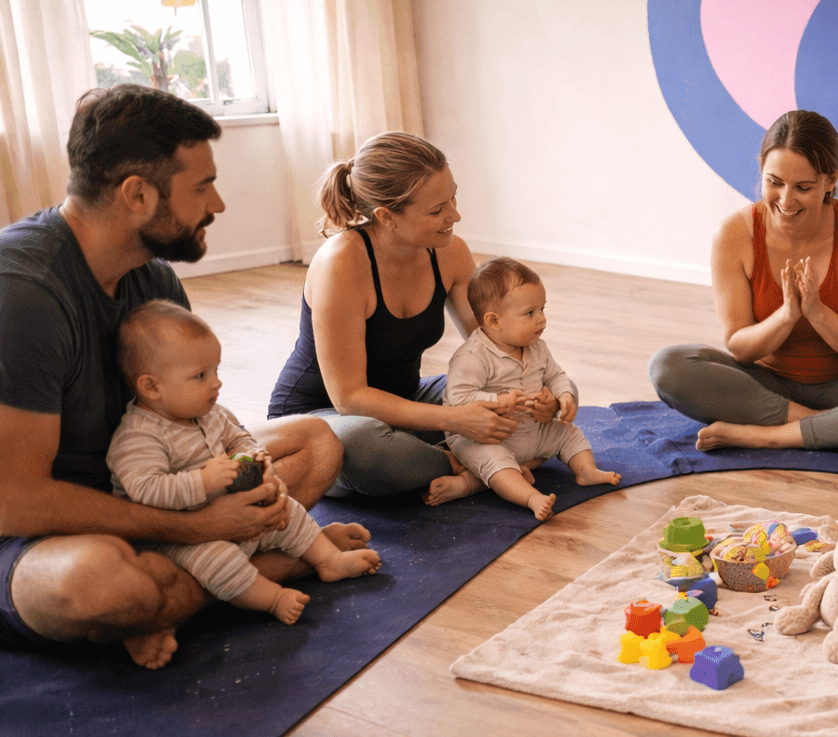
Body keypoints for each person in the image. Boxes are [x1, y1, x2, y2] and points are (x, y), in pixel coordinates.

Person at [0, 85, 352, 669]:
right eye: (201, 186)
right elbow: (16, 502)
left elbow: (191, 416)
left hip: (146, 489)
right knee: (101, 586)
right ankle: (276, 565)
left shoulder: (154, 279)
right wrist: (198, 527)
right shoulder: (24, 294)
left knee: (316, 443)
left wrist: (234, 473)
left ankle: (185, 592)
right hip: (39, 529)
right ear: (138, 194)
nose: (216, 204)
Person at [648, 110, 838, 452]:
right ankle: (837, 426)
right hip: (766, 386)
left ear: (831, 179)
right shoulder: (733, 234)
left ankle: (766, 435)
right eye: (774, 182)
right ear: (761, 169)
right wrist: (787, 315)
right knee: (669, 366)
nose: (785, 200)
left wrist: (817, 311)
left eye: (803, 188)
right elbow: (740, 347)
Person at [268, 131, 527, 497]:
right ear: (386, 216)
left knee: (520, 396)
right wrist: (456, 420)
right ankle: (483, 464)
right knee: (372, 451)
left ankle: (468, 468)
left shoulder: (450, 252)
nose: (455, 215)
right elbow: (349, 398)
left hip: (406, 404)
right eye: (437, 210)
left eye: (453, 197)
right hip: (323, 421)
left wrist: (534, 388)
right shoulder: (341, 264)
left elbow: (492, 345)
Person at [108, 302, 382, 624]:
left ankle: (329, 560)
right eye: (200, 376)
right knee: (218, 560)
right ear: (151, 387)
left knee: (288, 512)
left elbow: (238, 438)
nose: (216, 384)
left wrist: (254, 455)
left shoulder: (210, 414)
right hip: (177, 540)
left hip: (231, 515)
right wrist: (204, 481)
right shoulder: (138, 436)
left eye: (215, 371)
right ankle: (271, 598)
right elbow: (144, 489)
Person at [426, 257, 621, 518]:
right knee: (496, 461)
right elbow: (459, 399)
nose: (541, 319)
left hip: (532, 429)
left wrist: (562, 395)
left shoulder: (536, 347)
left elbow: (556, 375)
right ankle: (530, 497)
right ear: (494, 321)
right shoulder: (471, 357)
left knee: (568, 433)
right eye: (530, 313)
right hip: (485, 438)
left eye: (542, 309)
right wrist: (499, 401)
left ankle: (586, 471)